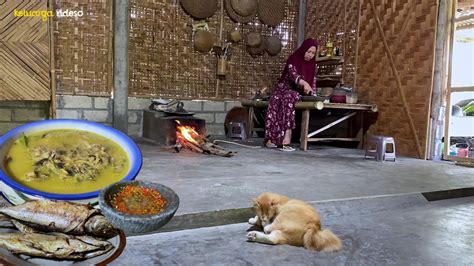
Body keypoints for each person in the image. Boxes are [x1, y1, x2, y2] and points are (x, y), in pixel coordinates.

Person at [264, 38, 318, 151]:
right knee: (275, 99)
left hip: (297, 93)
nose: (310, 55)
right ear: (303, 49)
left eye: (313, 53)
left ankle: (286, 137)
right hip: (283, 89)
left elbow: (313, 83)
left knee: (290, 97)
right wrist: (304, 83)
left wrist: (313, 94)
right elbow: (293, 75)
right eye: (308, 52)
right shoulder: (293, 59)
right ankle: (271, 139)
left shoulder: (313, 65)